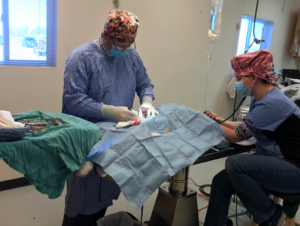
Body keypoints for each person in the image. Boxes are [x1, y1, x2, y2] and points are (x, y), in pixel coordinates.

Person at [62, 10, 158, 226]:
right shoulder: (81, 57)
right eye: (120, 41)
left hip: (115, 139)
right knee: (80, 202)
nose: (125, 47)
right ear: (106, 33)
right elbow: (73, 99)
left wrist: (146, 101)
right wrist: (109, 111)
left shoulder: (132, 57)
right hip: (85, 138)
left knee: (105, 190)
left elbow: (144, 83)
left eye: (130, 42)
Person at [203, 50, 300, 226]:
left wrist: (209, 124)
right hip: (278, 160)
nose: (237, 83)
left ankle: (270, 215)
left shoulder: (272, 103)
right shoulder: (260, 98)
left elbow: (235, 136)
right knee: (220, 181)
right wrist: (219, 120)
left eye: (239, 78)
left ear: (254, 77)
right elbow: (248, 129)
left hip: (294, 169)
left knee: (235, 164)